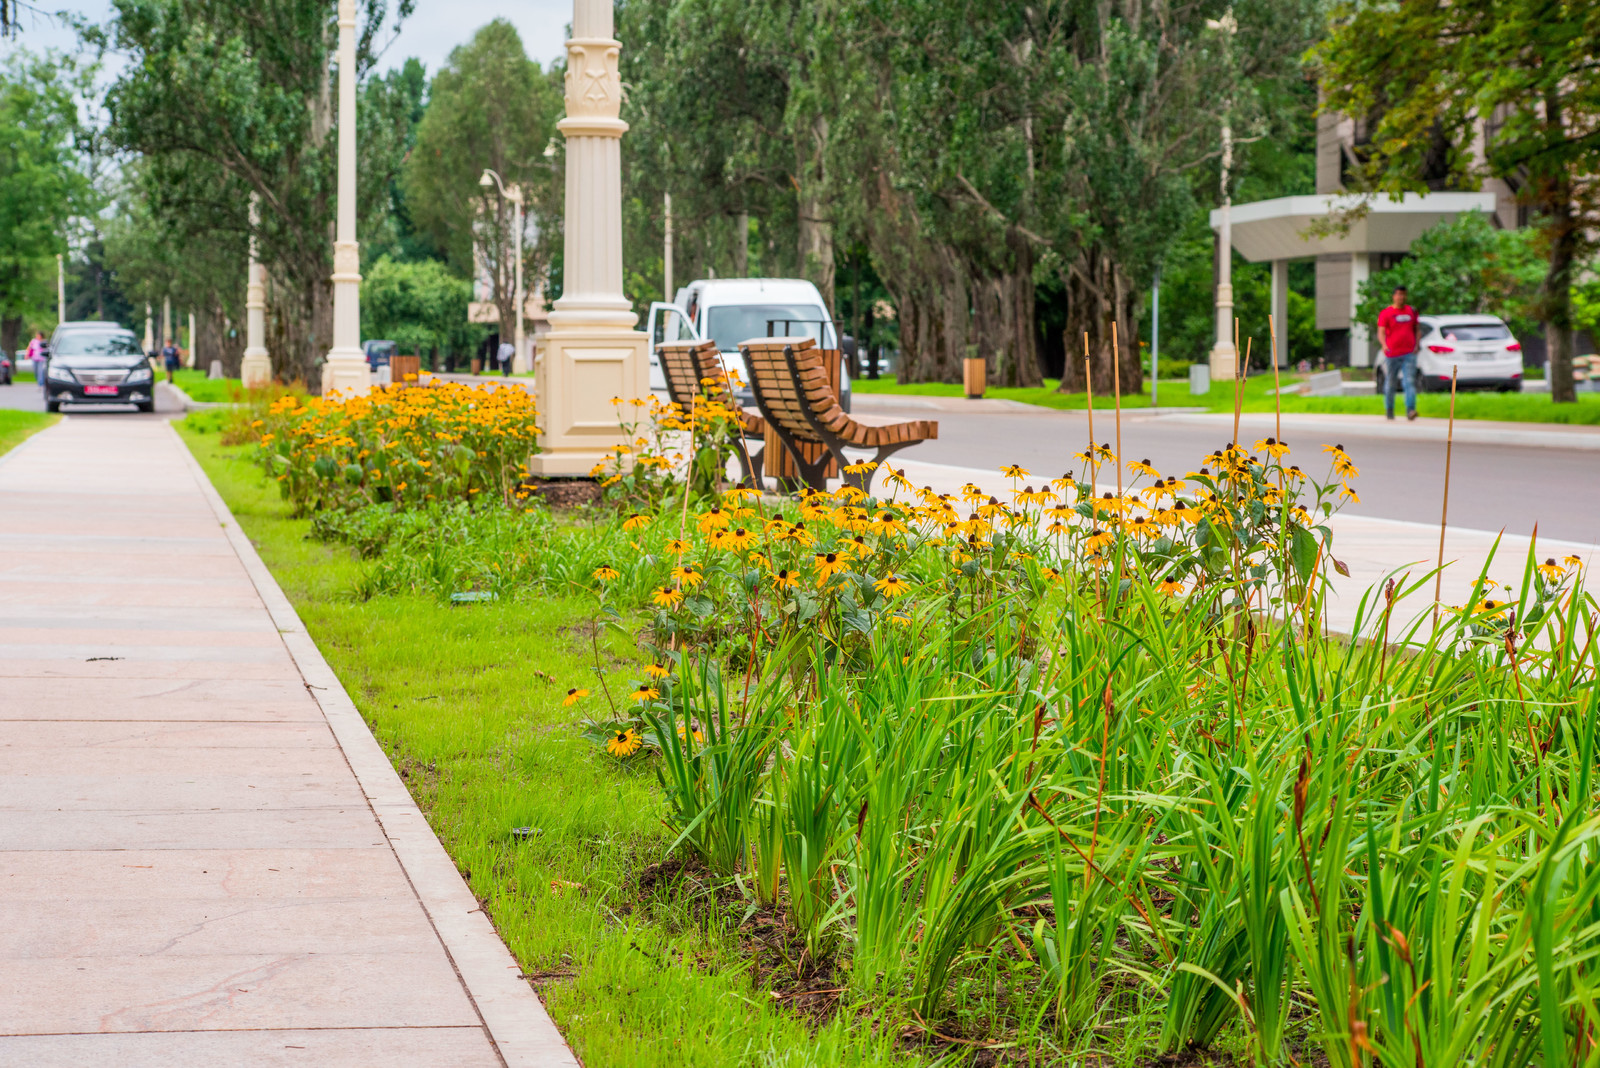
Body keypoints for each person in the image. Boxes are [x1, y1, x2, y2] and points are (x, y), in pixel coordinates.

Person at [1376, 285, 1420, 421]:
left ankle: (1410, 410)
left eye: (1404, 294)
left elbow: (1417, 329)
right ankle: (1389, 409)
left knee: (1409, 381)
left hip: (1409, 353)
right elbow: (1381, 331)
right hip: (1392, 353)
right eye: (1399, 294)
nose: (1401, 297)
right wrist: (1384, 345)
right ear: (1394, 296)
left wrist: (1416, 345)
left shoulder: (1411, 311)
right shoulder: (1386, 313)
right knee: (1391, 382)